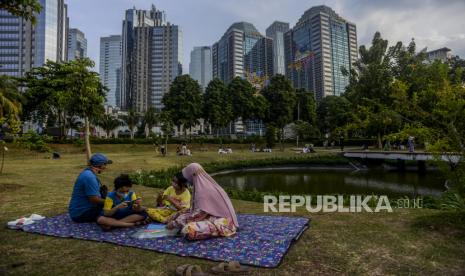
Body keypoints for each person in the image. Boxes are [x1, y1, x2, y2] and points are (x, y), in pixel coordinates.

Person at [166, 163, 238, 240]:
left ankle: (216, 231)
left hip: (222, 222)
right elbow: (196, 210)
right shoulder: (201, 186)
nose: (186, 179)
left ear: (192, 175)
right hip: (211, 217)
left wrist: (175, 223)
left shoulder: (203, 190)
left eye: (187, 176)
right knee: (181, 217)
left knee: (188, 229)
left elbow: (200, 213)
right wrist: (178, 215)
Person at [68, 153, 112, 223]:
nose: (106, 167)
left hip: (78, 211)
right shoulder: (90, 177)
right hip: (81, 214)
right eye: (105, 164)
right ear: (100, 165)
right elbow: (94, 200)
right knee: (115, 210)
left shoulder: (88, 173)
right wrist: (111, 202)